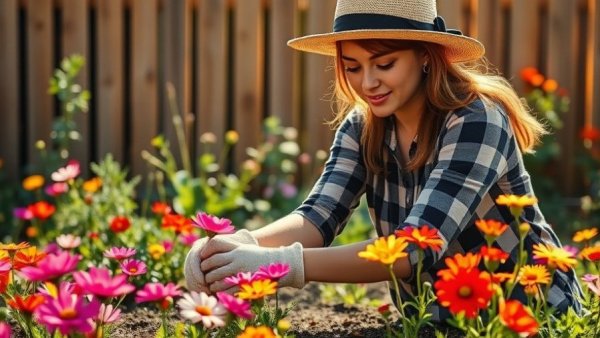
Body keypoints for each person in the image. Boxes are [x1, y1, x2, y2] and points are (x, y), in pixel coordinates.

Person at [184, 0, 582, 322]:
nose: (367, 83)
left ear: (426, 56)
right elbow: (319, 214)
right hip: (432, 320)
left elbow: (413, 249)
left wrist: (280, 264)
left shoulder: (477, 119)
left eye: (384, 64)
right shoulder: (364, 126)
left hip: (526, 315)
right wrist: (240, 246)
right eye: (353, 67)